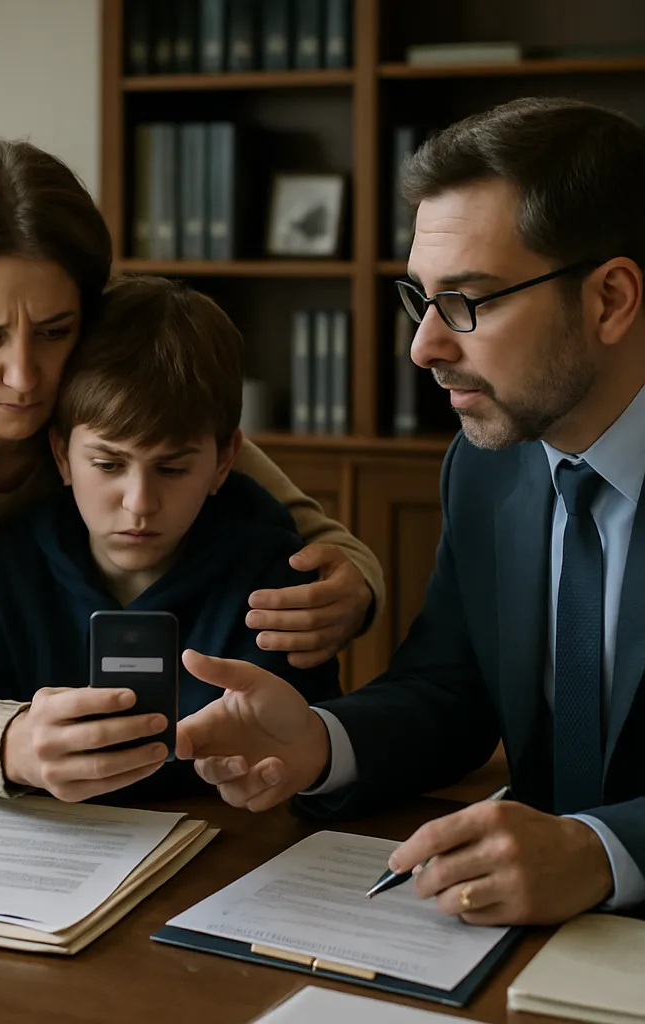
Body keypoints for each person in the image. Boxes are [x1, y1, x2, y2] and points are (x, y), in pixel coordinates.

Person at [175, 97, 645, 925]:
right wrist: (320, 743)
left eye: (470, 300)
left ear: (610, 299)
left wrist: (605, 851)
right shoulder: (489, 469)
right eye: (420, 298)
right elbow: (451, 690)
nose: (424, 345)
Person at [0, 139, 384, 799]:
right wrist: (15, 742)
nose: (26, 378)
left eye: (55, 331)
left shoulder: (104, 393)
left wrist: (356, 584)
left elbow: (297, 524)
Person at [0, 275, 341, 802]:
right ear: (61, 456)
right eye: (108, 464)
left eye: (171, 469)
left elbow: (317, 758)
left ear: (224, 462)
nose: (139, 503)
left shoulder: (277, 586)